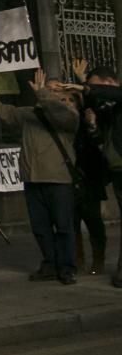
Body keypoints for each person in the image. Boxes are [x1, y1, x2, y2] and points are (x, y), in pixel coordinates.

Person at [0, 68, 80, 284]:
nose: (48, 92)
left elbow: (61, 114)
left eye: (53, 90)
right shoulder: (29, 114)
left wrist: (43, 94)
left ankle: (67, 268)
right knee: (41, 228)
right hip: (33, 178)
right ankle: (50, 264)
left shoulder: (68, 115)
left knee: (63, 226)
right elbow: (1, 111)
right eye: (46, 89)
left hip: (58, 179)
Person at [63, 68, 122, 288]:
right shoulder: (108, 108)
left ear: (109, 83)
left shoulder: (117, 97)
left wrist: (83, 85)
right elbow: (101, 140)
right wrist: (93, 124)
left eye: (98, 87)